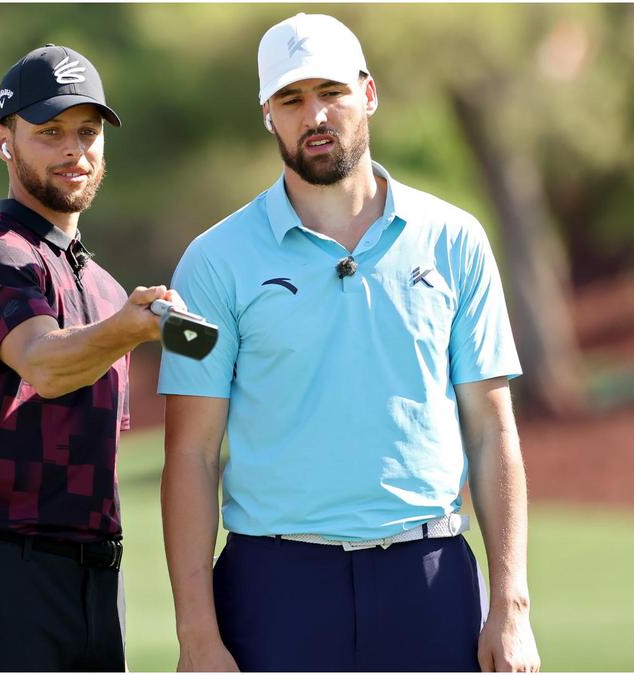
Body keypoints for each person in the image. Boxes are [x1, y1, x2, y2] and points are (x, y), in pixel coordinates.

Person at [157, 13, 541, 672]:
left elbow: (490, 428)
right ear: (267, 116)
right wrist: (197, 636)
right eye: (290, 98)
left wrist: (511, 605)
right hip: (272, 585)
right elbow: (191, 453)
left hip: (430, 577)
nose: (314, 114)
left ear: (367, 93)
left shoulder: (455, 241)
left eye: (330, 91)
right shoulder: (212, 262)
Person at [0, 43, 181, 671]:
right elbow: (44, 363)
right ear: (5, 141)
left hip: (91, 582)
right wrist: (132, 329)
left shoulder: (104, 287)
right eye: (49, 133)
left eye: (86, 132)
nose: (74, 150)